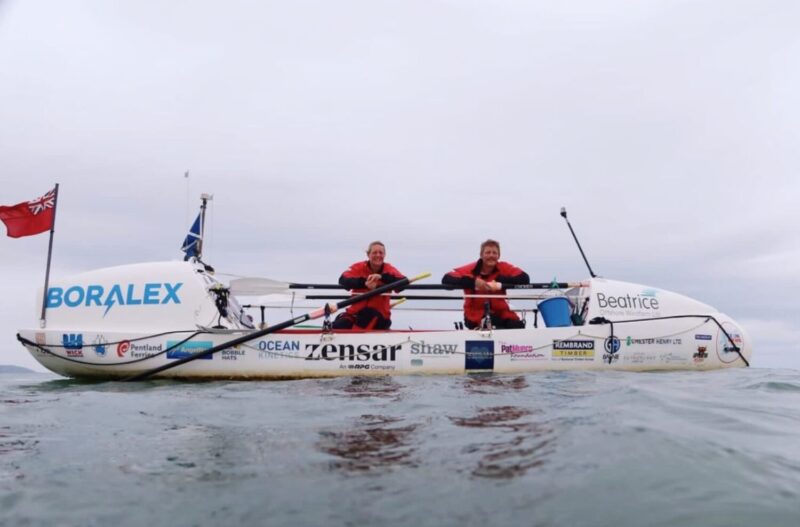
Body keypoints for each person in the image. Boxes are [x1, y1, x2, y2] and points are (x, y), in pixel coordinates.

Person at [442, 239, 530, 329]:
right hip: (475, 315)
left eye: (494, 253)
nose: (491, 255)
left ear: (498, 256)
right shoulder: (470, 269)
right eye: (488, 252)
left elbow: (524, 278)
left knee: (518, 326)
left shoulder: (503, 267)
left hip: (501, 312)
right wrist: (474, 282)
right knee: (495, 324)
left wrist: (500, 282)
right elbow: (447, 279)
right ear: (481, 255)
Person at [331, 241, 406, 330]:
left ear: (384, 255)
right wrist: (364, 283)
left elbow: (403, 283)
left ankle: (354, 339)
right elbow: (343, 280)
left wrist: (381, 277)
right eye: (374, 252)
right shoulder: (359, 267)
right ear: (368, 255)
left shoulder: (389, 270)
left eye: (381, 253)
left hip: (379, 318)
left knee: (367, 313)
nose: (378, 255)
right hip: (354, 314)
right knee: (338, 326)